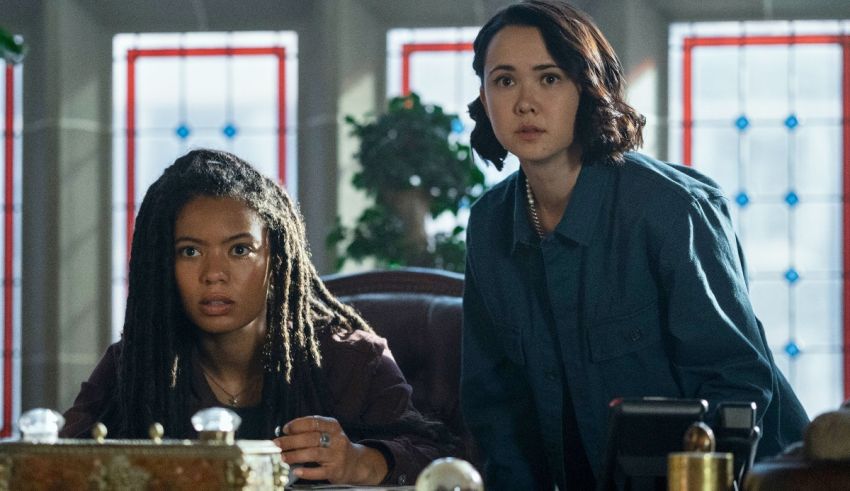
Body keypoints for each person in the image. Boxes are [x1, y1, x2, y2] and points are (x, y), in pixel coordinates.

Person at [459, 1, 809, 489]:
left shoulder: (670, 210)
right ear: (484, 96)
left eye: (550, 78)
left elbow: (736, 387)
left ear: (588, 86)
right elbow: (494, 404)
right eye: (504, 80)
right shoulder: (489, 224)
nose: (525, 102)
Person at [62, 149, 452, 486]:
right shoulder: (134, 363)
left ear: (276, 260)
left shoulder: (352, 358)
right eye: (190, 252)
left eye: (240, 250)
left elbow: (440, 462)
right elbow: (56, 464)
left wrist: (359, 461)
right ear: (163, 264)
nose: (214, 273)